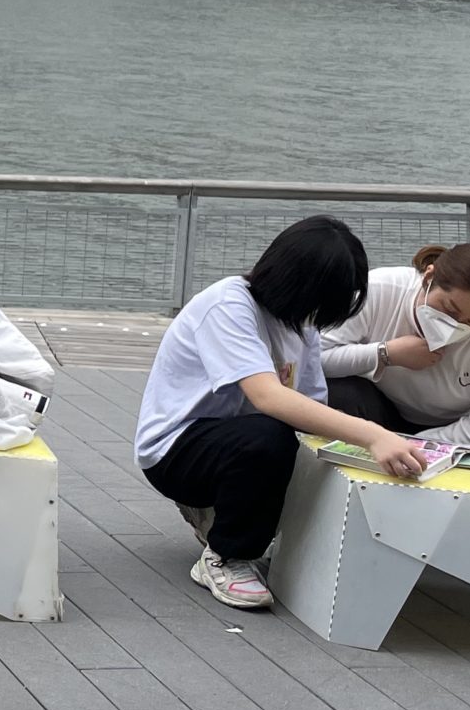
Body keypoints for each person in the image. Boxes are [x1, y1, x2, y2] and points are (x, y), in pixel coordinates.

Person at [136, 216, 428, 610]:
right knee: (268, 434)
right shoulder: (228, 305)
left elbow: (311, 406)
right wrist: (374, 435)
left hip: (235, 441)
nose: (324, 315)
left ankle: (244, 521)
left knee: (320, 425)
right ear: (300, 284)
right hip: (176, 450)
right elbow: (268, 397)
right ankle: (226, 556)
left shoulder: (300, 323)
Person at [319, 242, 470, 449]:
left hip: (454, 427)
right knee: (339, 391)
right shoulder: (381, 289)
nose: (455, 326)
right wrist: (385, 353)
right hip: (381, 410)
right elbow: (316, 358)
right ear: (428, 278)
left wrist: (415, 444)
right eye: (449, 310)